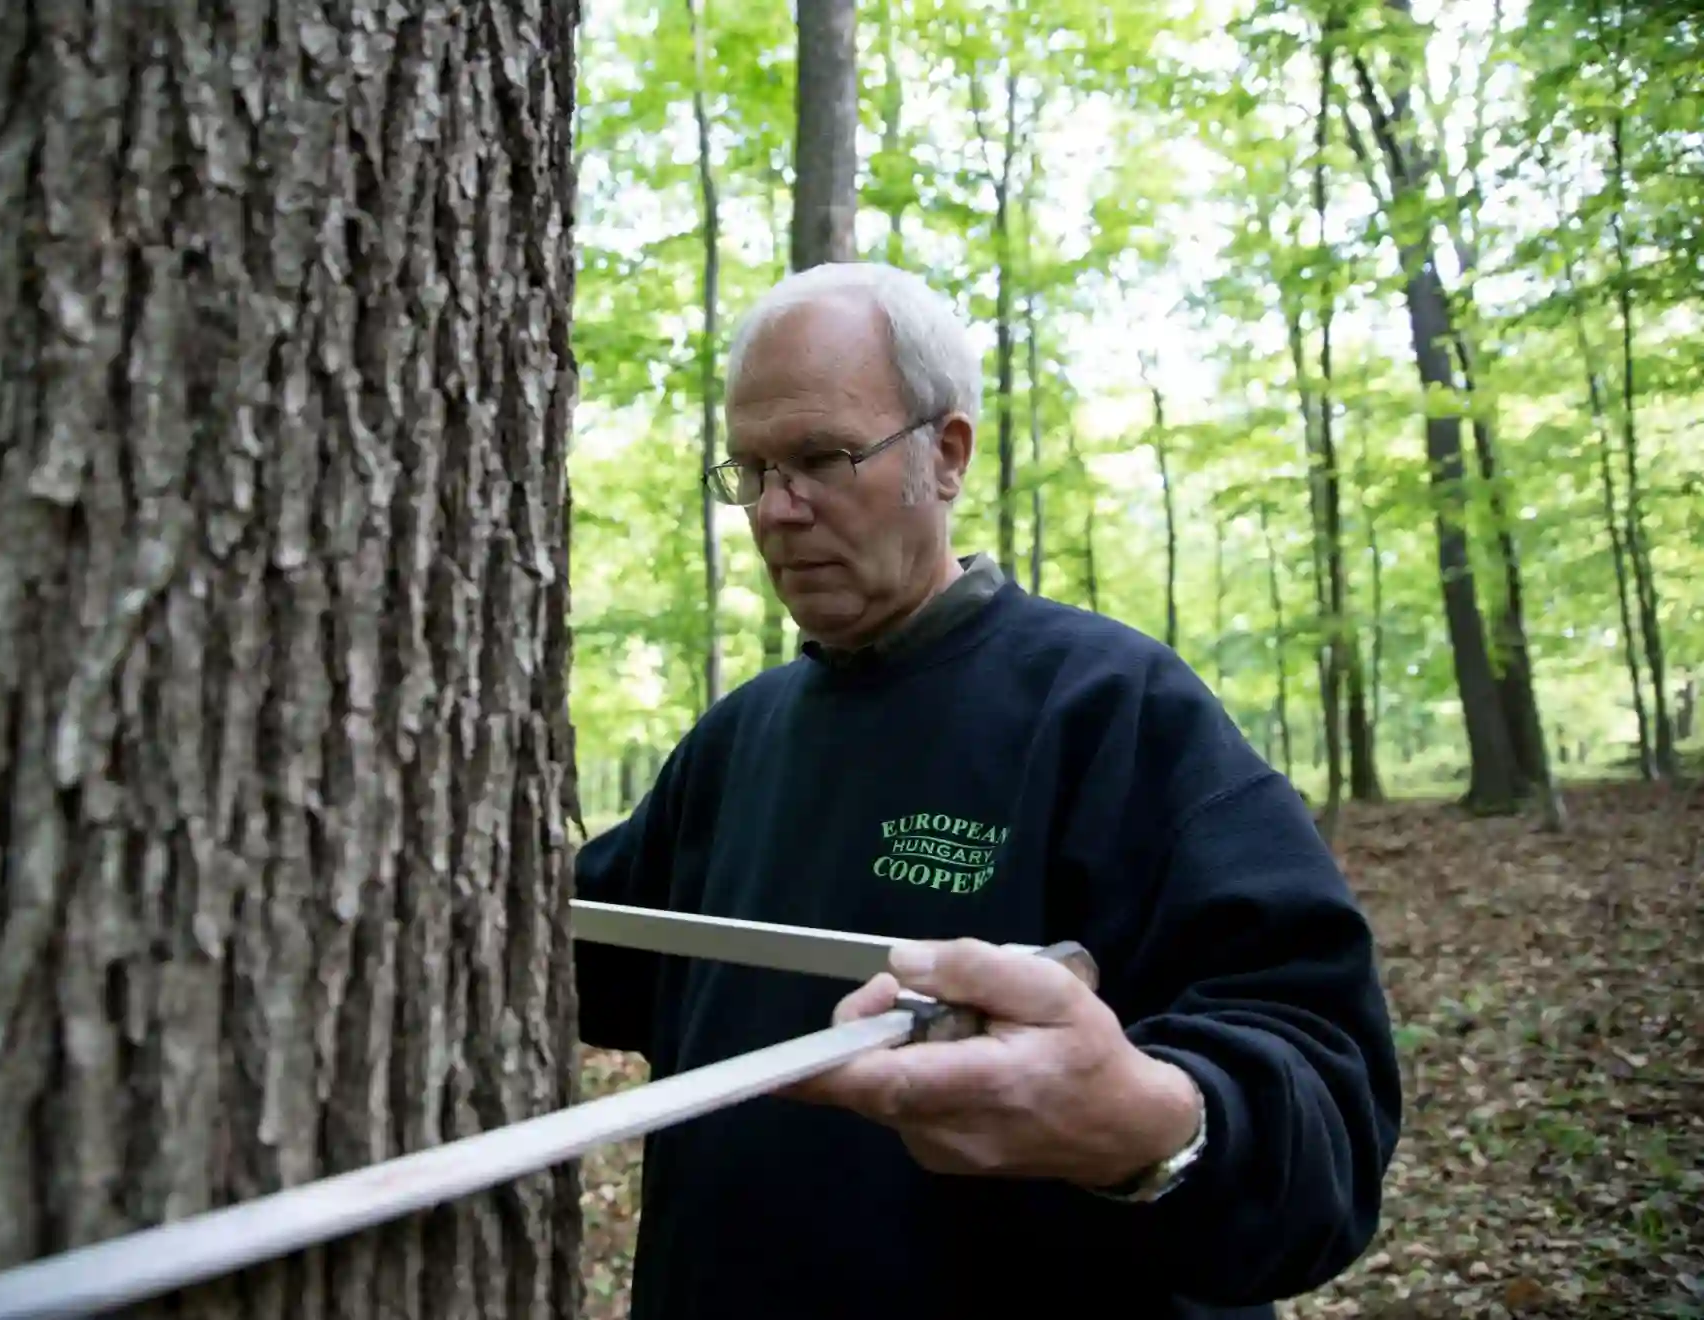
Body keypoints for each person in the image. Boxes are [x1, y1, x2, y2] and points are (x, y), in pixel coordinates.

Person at [572, 262, 1401, 1320]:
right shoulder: (737, 742)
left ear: (947, 454)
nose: (778, 510)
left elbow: (1327, 1108)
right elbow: (571, 959)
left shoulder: (1112, 706)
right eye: (751, 469)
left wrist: (1149, 1123)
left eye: (823, 458)